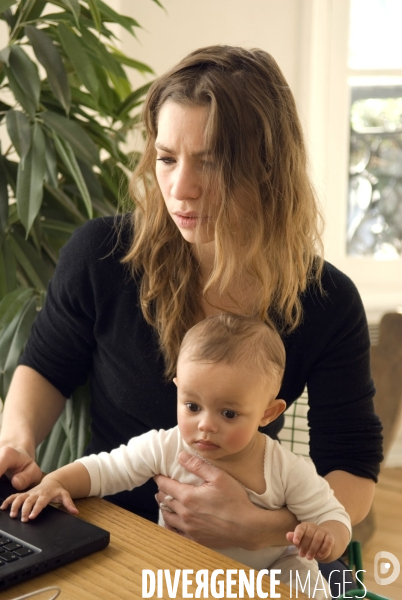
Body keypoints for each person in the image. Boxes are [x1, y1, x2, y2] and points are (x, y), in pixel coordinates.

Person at [0, 45, 382, 593]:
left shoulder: (326, 300)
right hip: (102, 527)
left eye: (212, 160)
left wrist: (261, 528)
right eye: (167, 157)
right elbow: (46, 366)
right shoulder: (101, 255)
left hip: (249, 559)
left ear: (267, 167)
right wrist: (16, 442)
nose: (181, 188)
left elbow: (352, 466)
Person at [1, 315, 351, 598]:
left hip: (270, 572)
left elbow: (333, 516)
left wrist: (326, 539)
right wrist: (56, 481)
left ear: (268, 413)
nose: (205, 426)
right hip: (185, 568)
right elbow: (106, 468)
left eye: (228, 414)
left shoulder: (285, 469)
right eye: (192, 406)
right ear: (178, 388)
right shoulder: (166, 447)